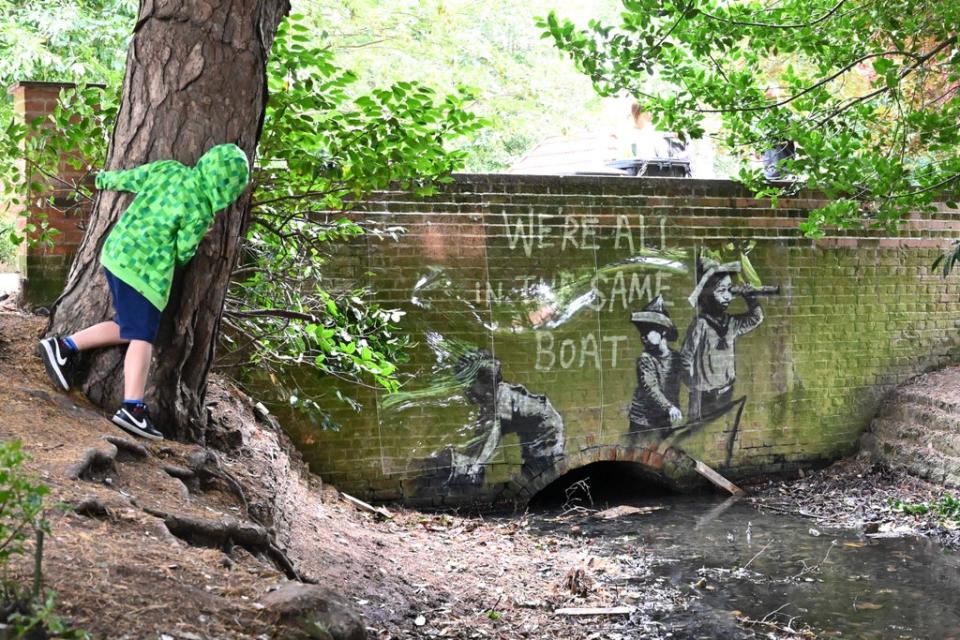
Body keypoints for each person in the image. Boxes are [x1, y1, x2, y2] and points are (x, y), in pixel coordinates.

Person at [39, 143, 250, 440]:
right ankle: (132, 408)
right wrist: (201, 235)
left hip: (116, 254)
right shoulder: (200, 210)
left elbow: (133, 178)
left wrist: (104, 179)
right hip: (145, 275)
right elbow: (183, 254)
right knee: (142, 337)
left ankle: (64, 346)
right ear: (227, 189)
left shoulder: (169, 169)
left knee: (129, 327)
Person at [681, 256, 764, 420]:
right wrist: (695, 387)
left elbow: (756, 318)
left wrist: (750, 297)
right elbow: (685, 358)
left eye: (729, 289)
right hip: (705, 396)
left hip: (727, 391)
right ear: (707, 294)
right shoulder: (701, 324)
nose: (727, 296)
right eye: (721, 291)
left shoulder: (731, 323)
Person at [627, 295, 683, 440]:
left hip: (664, 417)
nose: (643, 337)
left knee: (664, 454)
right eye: (641, 333)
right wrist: (669, 407)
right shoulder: (646, 358)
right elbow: (651, 387)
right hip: (643, 420)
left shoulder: (676, 358)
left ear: (663, 331)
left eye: (648, 331)